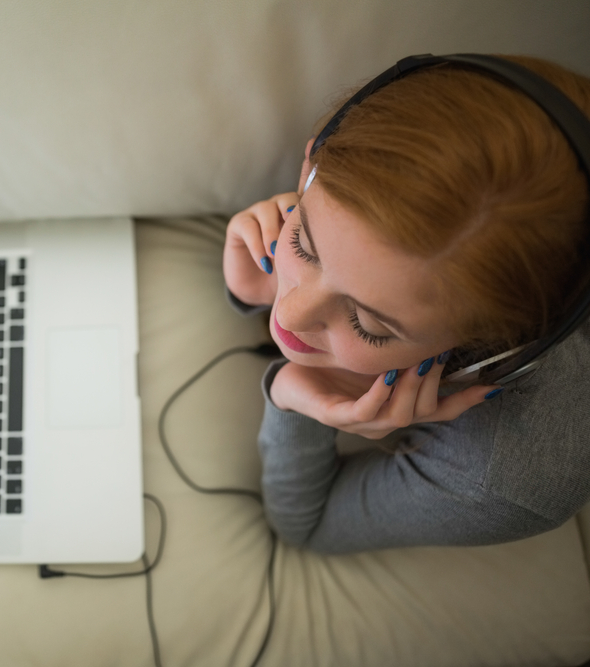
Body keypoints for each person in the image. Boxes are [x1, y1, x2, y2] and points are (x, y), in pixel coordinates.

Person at [223, 55, 590, 553]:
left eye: (369, 323)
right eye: (305, 244)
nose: (287, 316)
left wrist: (298, 398)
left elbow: (305, 525)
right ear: (310, 164)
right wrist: (257, 287)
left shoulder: (507, 482)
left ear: (488, 349)